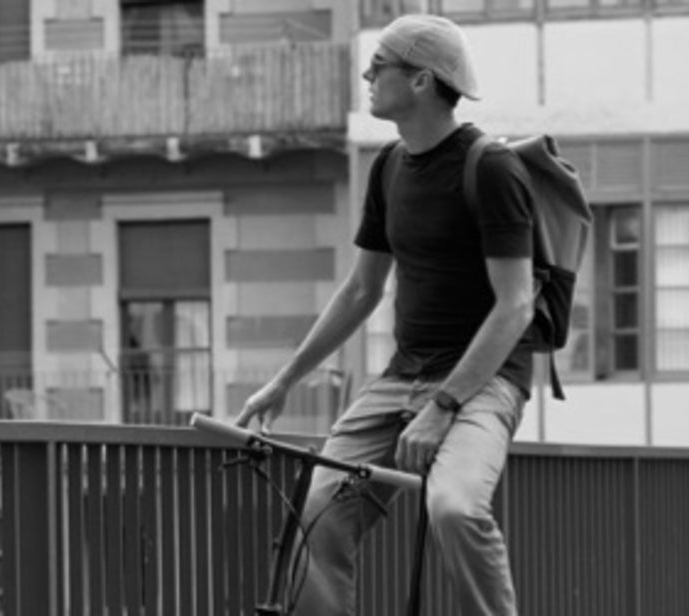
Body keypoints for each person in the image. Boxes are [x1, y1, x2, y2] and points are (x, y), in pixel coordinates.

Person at [233, 13, 536, 616]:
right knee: (317, 508)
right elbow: (360, 291)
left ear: (421, 81)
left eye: (380, 66)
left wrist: (443, 406)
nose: (367, 76)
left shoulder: (492, 169)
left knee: (452, 506)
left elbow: (516, 304)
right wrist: (283, 381)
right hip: (402, 378)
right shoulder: (390, 167)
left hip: (481, 385)